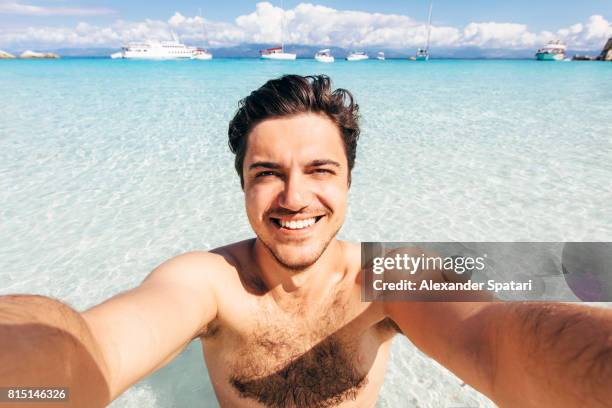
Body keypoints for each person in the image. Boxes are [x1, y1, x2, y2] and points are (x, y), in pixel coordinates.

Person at [1, 75, 612, 408]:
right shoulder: (208, 282)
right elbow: (92, 353)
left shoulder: (391, 276)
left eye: (320, 171)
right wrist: (23, 376)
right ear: (241, 184)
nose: (295, 198)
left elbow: (502, 341)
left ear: (348, 182)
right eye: (268, 173)